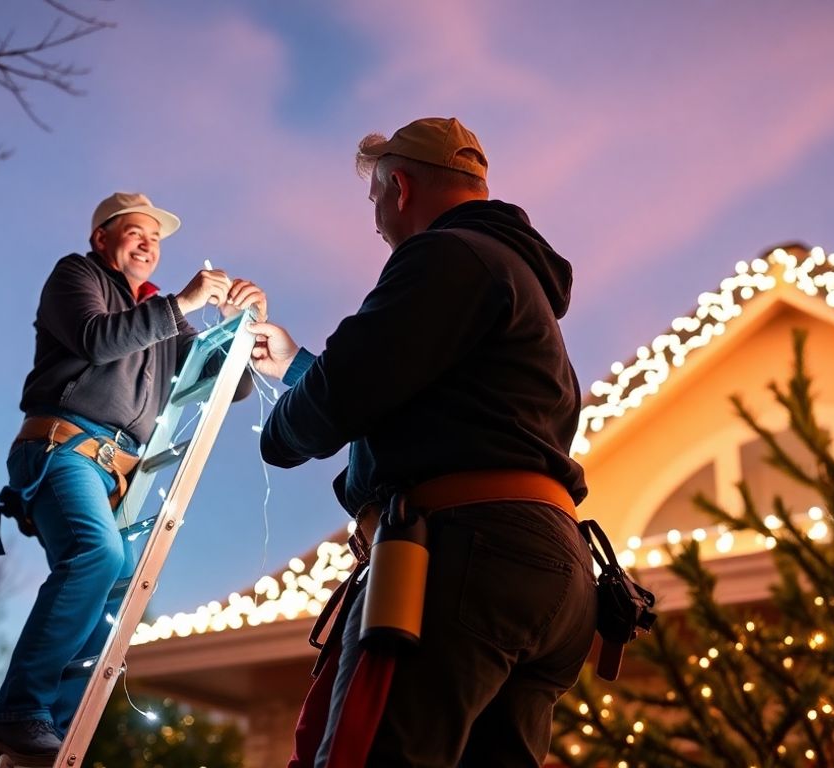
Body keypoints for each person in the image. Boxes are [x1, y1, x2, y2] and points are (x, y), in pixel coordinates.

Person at [249, 118, 597, 767]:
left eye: (374, 200)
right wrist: (301, 367)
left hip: (460, 557)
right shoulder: (515, 281)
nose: (377, 221)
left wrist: (283, 425)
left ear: (400, 188)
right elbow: (424, 393)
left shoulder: (444, 256)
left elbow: (339, 398)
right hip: (553, 568)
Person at [0, 192, 266, 766]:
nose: (148, 243)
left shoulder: (163, 313)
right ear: (101, 239)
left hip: (117, 473)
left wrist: (241, 331)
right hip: (62, 448)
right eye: (134, 231)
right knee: (98, 554)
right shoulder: (75, 276)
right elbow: (96, 339)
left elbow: (224, 384)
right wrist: (182, 302)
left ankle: (52, 729)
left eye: (155, 238)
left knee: (121, 584)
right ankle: (19, 712)